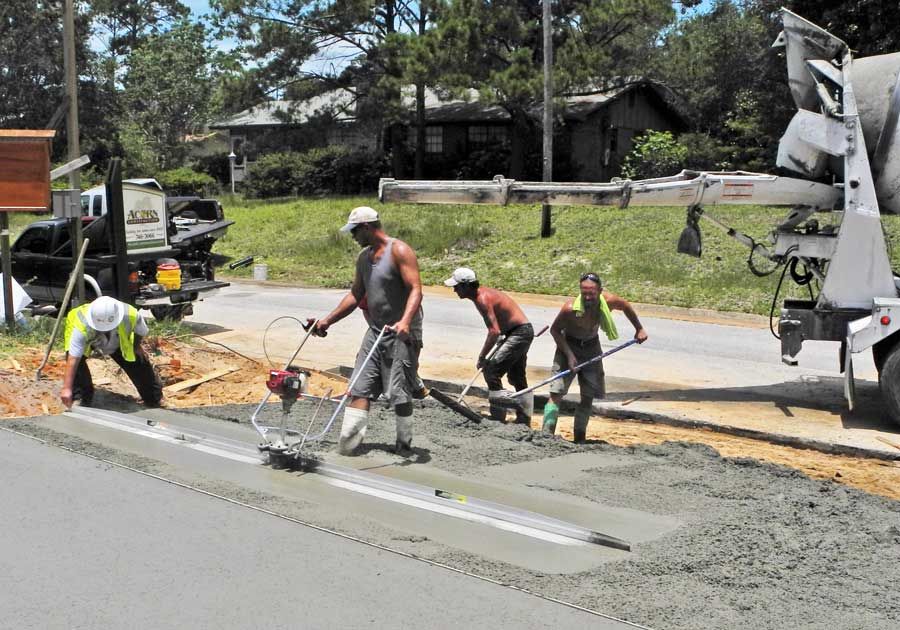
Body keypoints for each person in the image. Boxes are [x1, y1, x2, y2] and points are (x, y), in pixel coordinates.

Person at [313, 206, 424, 455]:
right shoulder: (364, 257)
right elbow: (356, 294)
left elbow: (416, 289)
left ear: (366, 227)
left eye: (354, 231)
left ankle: (404, 443)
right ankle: (348, 446)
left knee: (399, 392)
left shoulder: (400, 251)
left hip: (401, 332)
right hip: (375, 331)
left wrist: (405, 321)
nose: (352, 237)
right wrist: (326, 321)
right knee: (360, 386)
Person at [542, 272, 647, 442]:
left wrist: (639, 328)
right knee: (556, 393)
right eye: (584, 293)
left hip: (591, 348)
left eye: (591, 293)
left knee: (588, 396)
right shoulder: (570, 309)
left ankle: (580, 439)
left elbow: (626, 306)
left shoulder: (609, 301)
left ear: (600, 291)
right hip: (568, 347)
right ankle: (545, 437)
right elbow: (554, 330)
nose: (588, 297)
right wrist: (569, 355)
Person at [444, 267, 535, 423]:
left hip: (519, 332)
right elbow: (499, 328)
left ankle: (502, 416)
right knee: (517, 376)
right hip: (518, 331)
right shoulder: (481, 295)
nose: (454, 290)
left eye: (457, 286)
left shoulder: (482, 299)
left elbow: (493, 331)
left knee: (491, 370)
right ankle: (523, 418)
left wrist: (482, 357)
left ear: (466, 286)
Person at [60, 296, 163, 409]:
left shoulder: (131, 315)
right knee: (78, 370)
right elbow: (73, 358)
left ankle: (153, 398)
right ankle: (80, 399)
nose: (104, 329)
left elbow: (140, 331)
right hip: (89, 337)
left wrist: (135, 347)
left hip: (117, 339)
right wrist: (66, 388)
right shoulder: (81, 325)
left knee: (139, 365)